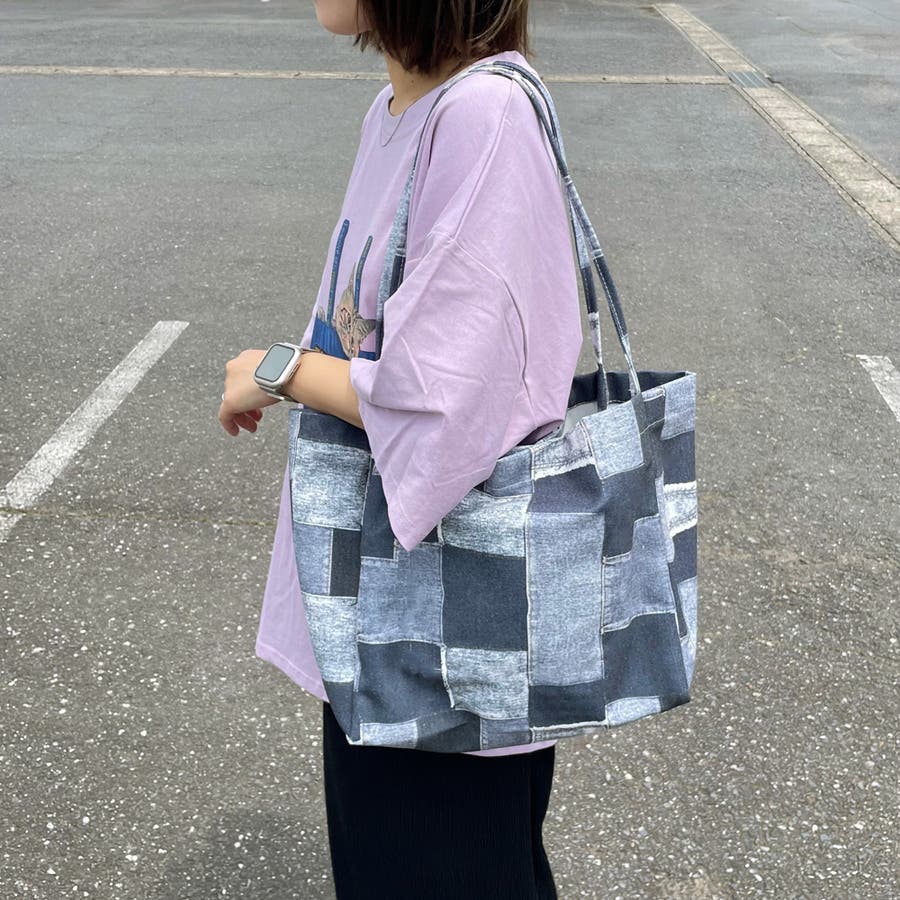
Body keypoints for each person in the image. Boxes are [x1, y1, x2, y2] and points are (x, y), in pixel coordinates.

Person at [219, 1, 583, 896]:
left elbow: (444, 402)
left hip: (444, 635)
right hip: (381, 612)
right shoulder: (400, 110)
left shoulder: (481, 116)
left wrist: (281, 370)